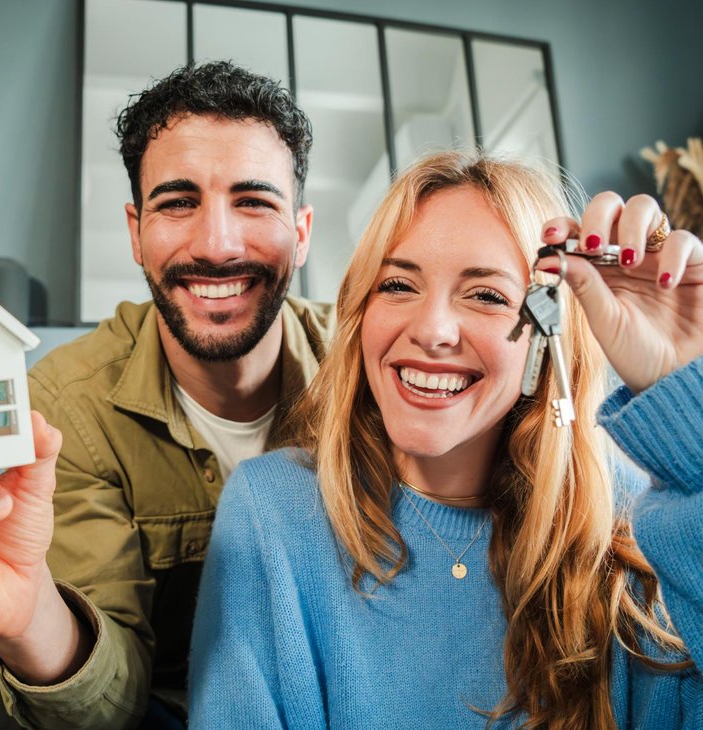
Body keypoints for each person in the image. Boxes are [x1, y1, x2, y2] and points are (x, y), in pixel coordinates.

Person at [189, 151, 703, 728]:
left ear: (546, 335)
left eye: (486, 295)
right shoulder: (273, 510)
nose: (432, 329)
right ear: (361, 312)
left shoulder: (634, 523)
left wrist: (683, 405)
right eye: (399, 284)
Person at [0, 61, 332, 728]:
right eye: (178, 202)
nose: (216, 244)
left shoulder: (375, 362)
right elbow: (113, 700)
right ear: (135, 231)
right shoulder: (68, 407)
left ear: (300, 232)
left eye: (253, 201)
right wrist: (29, 616)